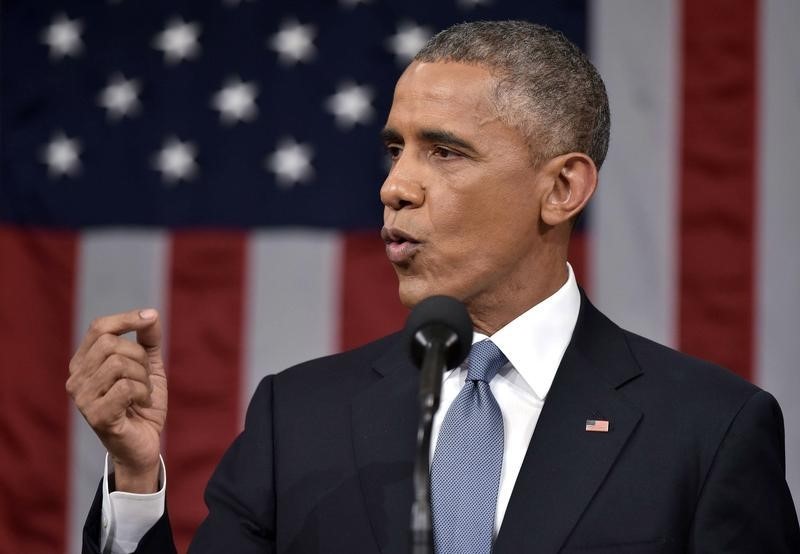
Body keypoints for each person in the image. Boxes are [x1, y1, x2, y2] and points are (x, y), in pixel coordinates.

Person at [68, 21, 800, 553]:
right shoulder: (300, 418)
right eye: (394, 150)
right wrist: (134, 479)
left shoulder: (707, 433)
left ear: (563, 188)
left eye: (445, 153)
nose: (394, 186)